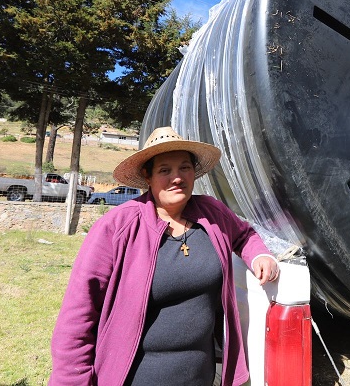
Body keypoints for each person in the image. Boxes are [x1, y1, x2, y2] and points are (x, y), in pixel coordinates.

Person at [49, 127, 279, 385]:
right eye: (164, 170)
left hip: (199, 376)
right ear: (147, 176)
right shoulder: (117, 227)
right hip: (135, 378)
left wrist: (259, 255)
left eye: (184, 168)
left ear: (194, 172)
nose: (177, 178)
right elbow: (78, 314)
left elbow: (244, 235)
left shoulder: (212, 213)